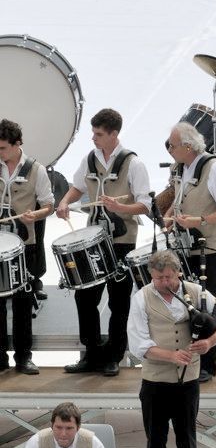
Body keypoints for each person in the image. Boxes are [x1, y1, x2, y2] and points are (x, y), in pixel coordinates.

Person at [127, 250, 216, 448]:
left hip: (188, 382)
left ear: (178, 272)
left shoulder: (197, 292)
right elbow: (138, 343)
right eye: (159, 277)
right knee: (156, 441)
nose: (165, 282)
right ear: (151, 275)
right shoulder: (142, 298)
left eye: (169, 276)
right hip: (155, 382)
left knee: (187, 439)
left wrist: (209, 343)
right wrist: (171, 356)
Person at [56, 108, 151, 377]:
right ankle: (92, 354)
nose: (93, 138)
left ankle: (114, 356)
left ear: (114, 134)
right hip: (93, 241)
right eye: (93, 133)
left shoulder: (134, 164)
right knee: (84, 296)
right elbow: (78, 187)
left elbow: (145, 204)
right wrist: (64, 202)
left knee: (119, 302)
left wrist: (119, 208)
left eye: (98, 134)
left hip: (122, 241)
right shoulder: (90, 160)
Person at [164, 122, 216, 383]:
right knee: (187, 304)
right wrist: (168, 217)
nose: (169, 150)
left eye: (171, 146)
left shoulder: (214, 168)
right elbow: (177, 200)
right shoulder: (179, 169)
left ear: (187, 146)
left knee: (209, 306)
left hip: (212, 248)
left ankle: (208, 364)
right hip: (187, 248)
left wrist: (199, 221)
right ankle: (190, 360)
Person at [0, 119, 54, 374]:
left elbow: (49, 205)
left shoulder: (36, 170)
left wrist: (36, 215)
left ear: (16, 144)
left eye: (2, 148)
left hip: (24, 246)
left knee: (22, 303)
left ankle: (24, 358)